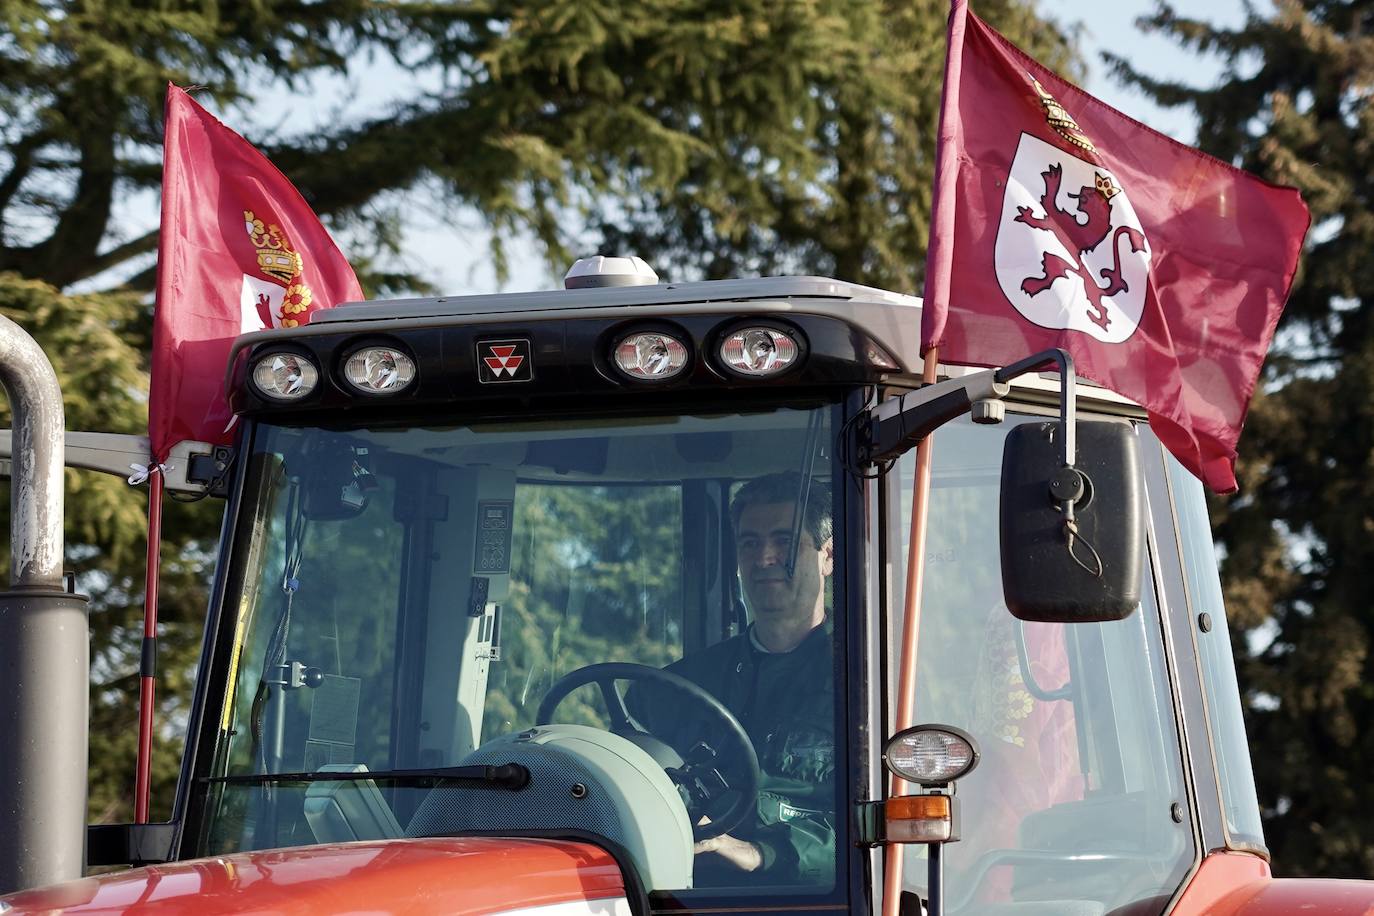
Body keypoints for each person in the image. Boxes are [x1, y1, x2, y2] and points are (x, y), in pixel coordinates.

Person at [635, 471, 837, 886]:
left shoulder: (868, 685)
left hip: (815, 899)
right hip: (682, 892)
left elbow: (879, 828)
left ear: (828, 557)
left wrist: (760, 853)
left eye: (784, 541)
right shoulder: (674, 688)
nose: (764, 558)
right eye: (750, 543)